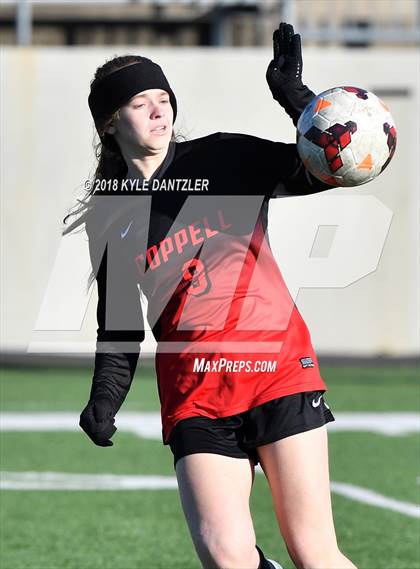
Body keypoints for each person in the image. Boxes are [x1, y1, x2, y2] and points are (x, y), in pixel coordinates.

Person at [68, 23, 357, 569]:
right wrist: (104, 400)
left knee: (314, 552)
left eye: (163, 99)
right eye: (139, 102)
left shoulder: (224, 158)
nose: (158, 110)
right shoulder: (110, 214)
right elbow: (120, 324)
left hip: (276, 372)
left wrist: (295, 97)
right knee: (228, 560)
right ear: (111, 123)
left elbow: (330, 168)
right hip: (195, 393)